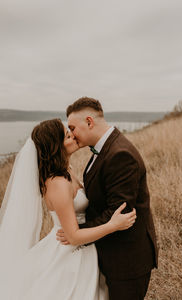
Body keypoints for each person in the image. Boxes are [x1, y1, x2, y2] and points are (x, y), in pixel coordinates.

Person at [0, 119, 137, 300]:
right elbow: (72, 237)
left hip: (85, 246)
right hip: (69, 252)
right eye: (67, 135)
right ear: (56, 146)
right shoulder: (58, 183)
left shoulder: (67, 170)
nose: (73, 136)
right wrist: (113, 225)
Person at [57, 97, 158, 300]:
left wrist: (76, 234)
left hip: (127, 261)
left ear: (89, 121)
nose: (71, 134)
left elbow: (118, 212)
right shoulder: (101, 149)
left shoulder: (120, 154)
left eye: (72, 127)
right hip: (108, 253)